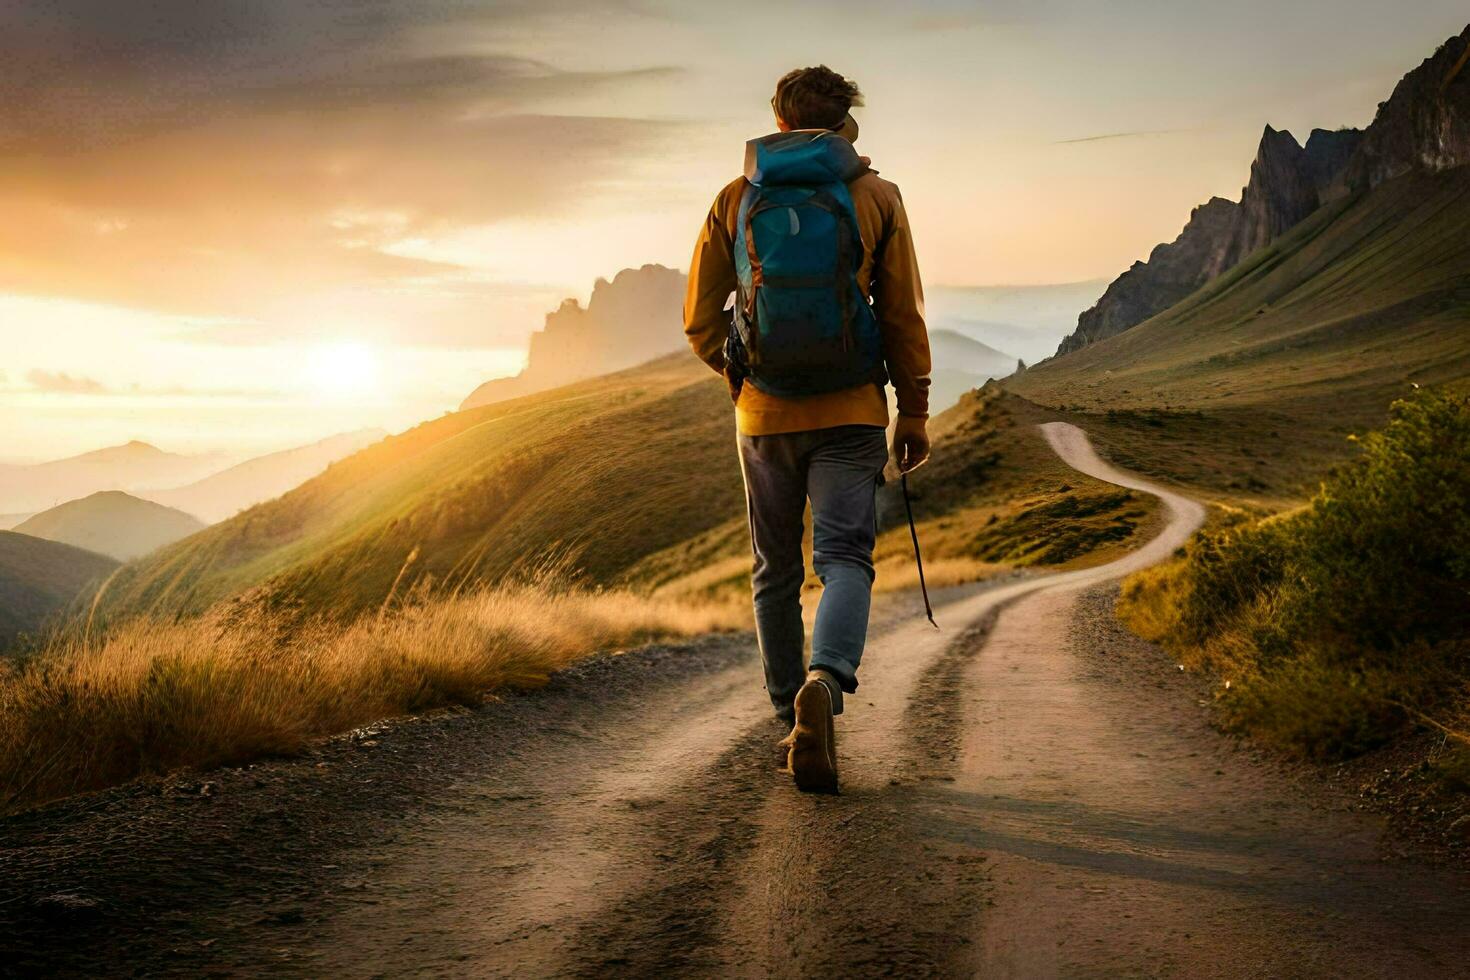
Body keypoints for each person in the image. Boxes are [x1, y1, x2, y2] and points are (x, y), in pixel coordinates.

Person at [683, 65, 932, 793]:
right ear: (847, 120)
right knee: (846, 559)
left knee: (775, 570)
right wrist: (912, 408)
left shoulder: (735, 198)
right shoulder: (877, 195)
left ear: (778, 119)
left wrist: (742, 378)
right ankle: (823, 685)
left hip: (762, 414)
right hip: (853, 410)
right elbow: (902, 316)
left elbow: (702, 320)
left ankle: (785, 715)